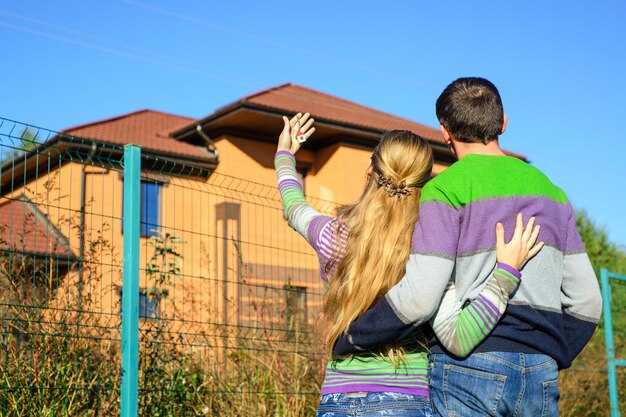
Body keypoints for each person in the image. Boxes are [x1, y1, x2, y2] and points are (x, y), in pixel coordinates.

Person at [332, 77, 603, 416]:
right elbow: (588, 303)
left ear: (445, 132)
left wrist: (353, 336)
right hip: (541, 374)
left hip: (466, 369)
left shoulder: (445, 190)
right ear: (503, 124)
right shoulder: (554, 195)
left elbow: (418, 298)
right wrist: (551, 352)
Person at [275, 112, 543, 417]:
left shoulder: (330, 236)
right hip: (407, 401)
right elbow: (461, 336)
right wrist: (506, 275)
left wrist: (285, 154)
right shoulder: (432, 252)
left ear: (370, 171)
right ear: (426, 182)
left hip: (337, 401)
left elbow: (293, 206)